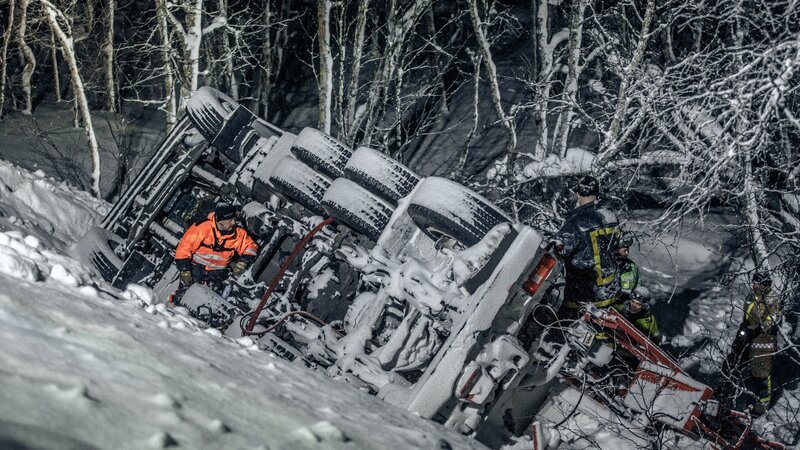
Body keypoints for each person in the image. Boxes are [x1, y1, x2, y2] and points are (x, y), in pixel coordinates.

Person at [551, 175, 622, 317]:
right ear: (598, 193)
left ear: (577, 194)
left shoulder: (576, 223)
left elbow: (558, 249)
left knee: (558, 332)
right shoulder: (610, 216)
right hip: (611, 290)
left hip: (584, 296)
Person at [720, 270, 781, 416]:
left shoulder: (773, 300)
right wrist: (745, 328)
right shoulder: (752, 296)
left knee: (761, 374)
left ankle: (760, 408)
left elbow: (773, 321)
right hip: (746, 336)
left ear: (764, 284)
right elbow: (748, 316)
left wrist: (759, 328)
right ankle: (722, 394)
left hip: (763, 342)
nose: (753, 285)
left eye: (756, 283)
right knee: (731, 363)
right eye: (753, 282)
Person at [171, 203, 258, 305]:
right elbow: (183, 249)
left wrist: (243, 262)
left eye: (234, 219)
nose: (234, 222)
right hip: (195, 268)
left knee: (213, 300)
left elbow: (251, 247)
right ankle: (176, 312)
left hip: (218, 273)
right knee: (184, 294)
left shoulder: (239, 233)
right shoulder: (202, 227)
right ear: (221, 222)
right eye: (230, 220)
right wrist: (185, 270)